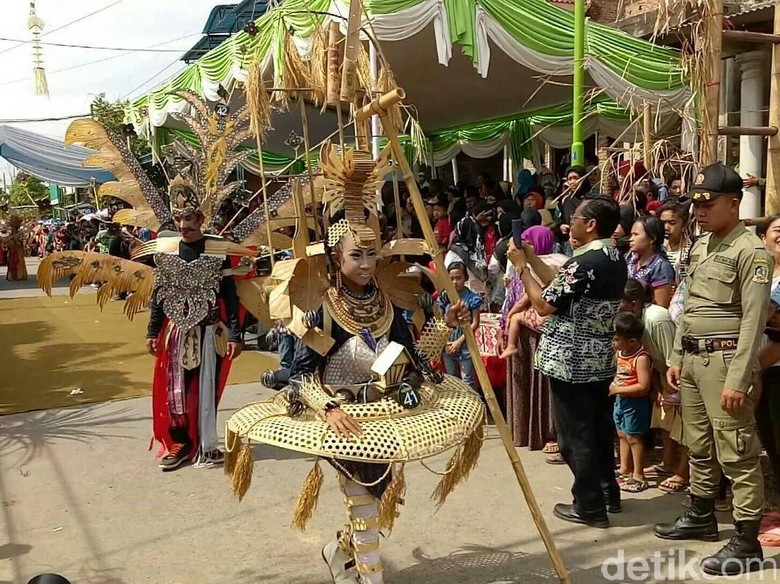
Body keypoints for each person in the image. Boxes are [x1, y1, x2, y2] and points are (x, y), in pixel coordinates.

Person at [223, 152, 485, 584]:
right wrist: (328, 409)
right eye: (356, 255)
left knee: (378, 500)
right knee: (363, 503)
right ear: (336, 258)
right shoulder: (322, 310)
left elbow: (412, 355)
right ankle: (369, 577)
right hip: (343, 421)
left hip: (391, 416)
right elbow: (303, 374)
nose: (366, 264)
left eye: (372, 254)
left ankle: (339, 550)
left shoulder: (386, 303)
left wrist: (445, 324)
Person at [654, 163, 771, 576]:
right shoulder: (702, 247)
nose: (699, 211)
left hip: (725, 364)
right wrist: (675, 357)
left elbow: (754, 322)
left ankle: (746, 540)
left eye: (709, 203)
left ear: (734, 203)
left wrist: (739, 378)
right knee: (698, 443)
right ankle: (701, 514)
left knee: (738, 452)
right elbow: (689, 306)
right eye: (696, 204)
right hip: (692, 361)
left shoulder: (750, 252)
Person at [509, 195, 627, 528]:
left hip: (570, 359)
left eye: (574, 218)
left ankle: (589, 505)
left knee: (576, 435)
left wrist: (521, 269)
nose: (568, 223)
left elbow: (545, 304)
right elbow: (559, 285)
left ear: (590, 224)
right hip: (598, 358)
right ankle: (607, 493)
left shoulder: (586, 263)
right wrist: (532, 259)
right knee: (599, 429)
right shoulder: (612, 256)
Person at [619, 280, 687, 493]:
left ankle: (683, 472)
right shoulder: (636, 322)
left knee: (683, 424)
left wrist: (674, 388)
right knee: (665, 419)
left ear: (633, 303)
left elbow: (672, 358)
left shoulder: (656, 319)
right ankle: (668, 462)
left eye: (620, 303)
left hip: (678, 374)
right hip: (663, 373)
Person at [610, 312, 653, 494]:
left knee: (633, 437)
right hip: (621, 401)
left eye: (617, 339)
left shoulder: (641, 358)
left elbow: (643, 386)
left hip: (635, 404)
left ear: (633, 341)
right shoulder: (620, 352)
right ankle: (624, 468)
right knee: (621, 434)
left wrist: (618, 389)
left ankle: (639, 474)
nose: (614, 342)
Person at [439, 262, 481, 388]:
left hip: (466, 345)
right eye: (451, 279)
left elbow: (475, 323)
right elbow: (440, 320)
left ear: (465, 278)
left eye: (458, 278)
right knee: (451, 380)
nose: (455, 282)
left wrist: (459, 341)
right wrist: (445, 341)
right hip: (448, 344)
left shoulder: (472, 298)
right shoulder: (444, 298)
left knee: (467, 380)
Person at [627, 215, 676, 307]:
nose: (631, 239)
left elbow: (660, 308)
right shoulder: (630, 260)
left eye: (636, 234)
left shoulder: (661, 267)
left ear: (652, 238)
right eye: (631, 234)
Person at [2, 215, 28, 281]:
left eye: (12, 228)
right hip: (12, 251)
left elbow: (21, 242)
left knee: (18, 262)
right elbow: (7, 242)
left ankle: (19, 275)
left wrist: (16, 241)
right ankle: (12, 276)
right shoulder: (10, 235)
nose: (11, 229)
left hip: (18, 251)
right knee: (12, 263)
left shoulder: (19, 234)